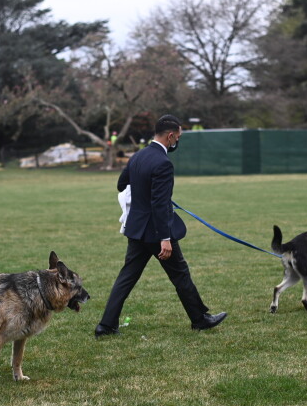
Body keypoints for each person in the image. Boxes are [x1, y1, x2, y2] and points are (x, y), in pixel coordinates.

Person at [95, 115, 227, 337]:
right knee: (180, 274)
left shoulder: (137, 156)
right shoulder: (163, 163)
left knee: (126, 278)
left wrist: (142, 194)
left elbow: (121, 184)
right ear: (171, 136)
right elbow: (158, 203)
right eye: (178, 137)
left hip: (136, 229)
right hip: (156, 232)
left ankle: (105, 326)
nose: (178, 141)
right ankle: (200, 319)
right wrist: (164, 238)